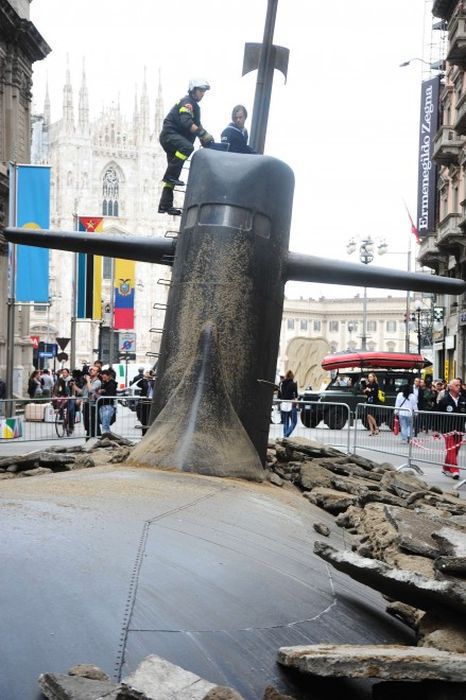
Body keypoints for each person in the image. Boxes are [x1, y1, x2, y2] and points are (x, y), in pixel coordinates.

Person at [157, 78, 214, 216]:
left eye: (204, 91)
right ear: (193, 90)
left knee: (173, 175)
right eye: (201, 91)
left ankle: (165, 205)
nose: (202, 94)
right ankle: (170, 175)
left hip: (173, 139)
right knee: (187, 148)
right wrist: (202, 133)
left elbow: (197, 125)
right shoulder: (187, 103)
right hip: (170, 136)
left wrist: (207, 140)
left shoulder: (195, 106)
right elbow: (186, 122)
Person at [437, 378, 466, 479]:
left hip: (459, 429)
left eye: (459, 385)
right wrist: (436, 430)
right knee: (451, 449)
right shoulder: (444, 400)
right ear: (450, 387)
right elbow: (437, 415)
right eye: (457, 385)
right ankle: (455, 470)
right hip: (448, 429)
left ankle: (446, 467)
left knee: (455, 450)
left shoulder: (463, 400)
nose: (459, 387)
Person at [75, 364, 102, 440]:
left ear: (98, 373)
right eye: (90, 370)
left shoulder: (97, 382)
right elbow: (83, 392)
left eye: (93, 370)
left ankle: (95, 438)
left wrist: (87, 380)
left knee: (93, 423)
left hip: (93, 405)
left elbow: (91, 390)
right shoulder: (88, 382)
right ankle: (90, 437)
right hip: (86, 404)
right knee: (87, 423)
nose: (91, 371)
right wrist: (74, 386)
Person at [278, 370, 298, 438]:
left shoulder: (281, 384)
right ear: (292, 376)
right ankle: (286, 435)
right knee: (294, 422)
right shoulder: (294, 384)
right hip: (291, 405)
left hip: (283, 404)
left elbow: (279, 396)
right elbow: (296, 395)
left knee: (285, 422)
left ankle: (285, 437)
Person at [97, 369, 118, 435]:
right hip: (102, 405)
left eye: (104, 376)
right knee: (104, 424)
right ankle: (107, 437)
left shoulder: (111, 384)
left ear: (108, 376)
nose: (103, 377)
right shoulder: (104, 383)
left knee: (105, 424)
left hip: (108, 406)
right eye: (102, 376)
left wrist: (103, 391)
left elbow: (110, 394)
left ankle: (106, 437)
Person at [138, 370, 155, 435]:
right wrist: (144, 377)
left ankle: (150, 433)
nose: (149, 374)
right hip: (145, 401)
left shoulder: (154, 382)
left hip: (152, 402)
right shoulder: (144, 382)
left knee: (150, 418)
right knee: (144, 418)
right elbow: (138, 384)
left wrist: (153, 376)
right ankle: (144, 433)